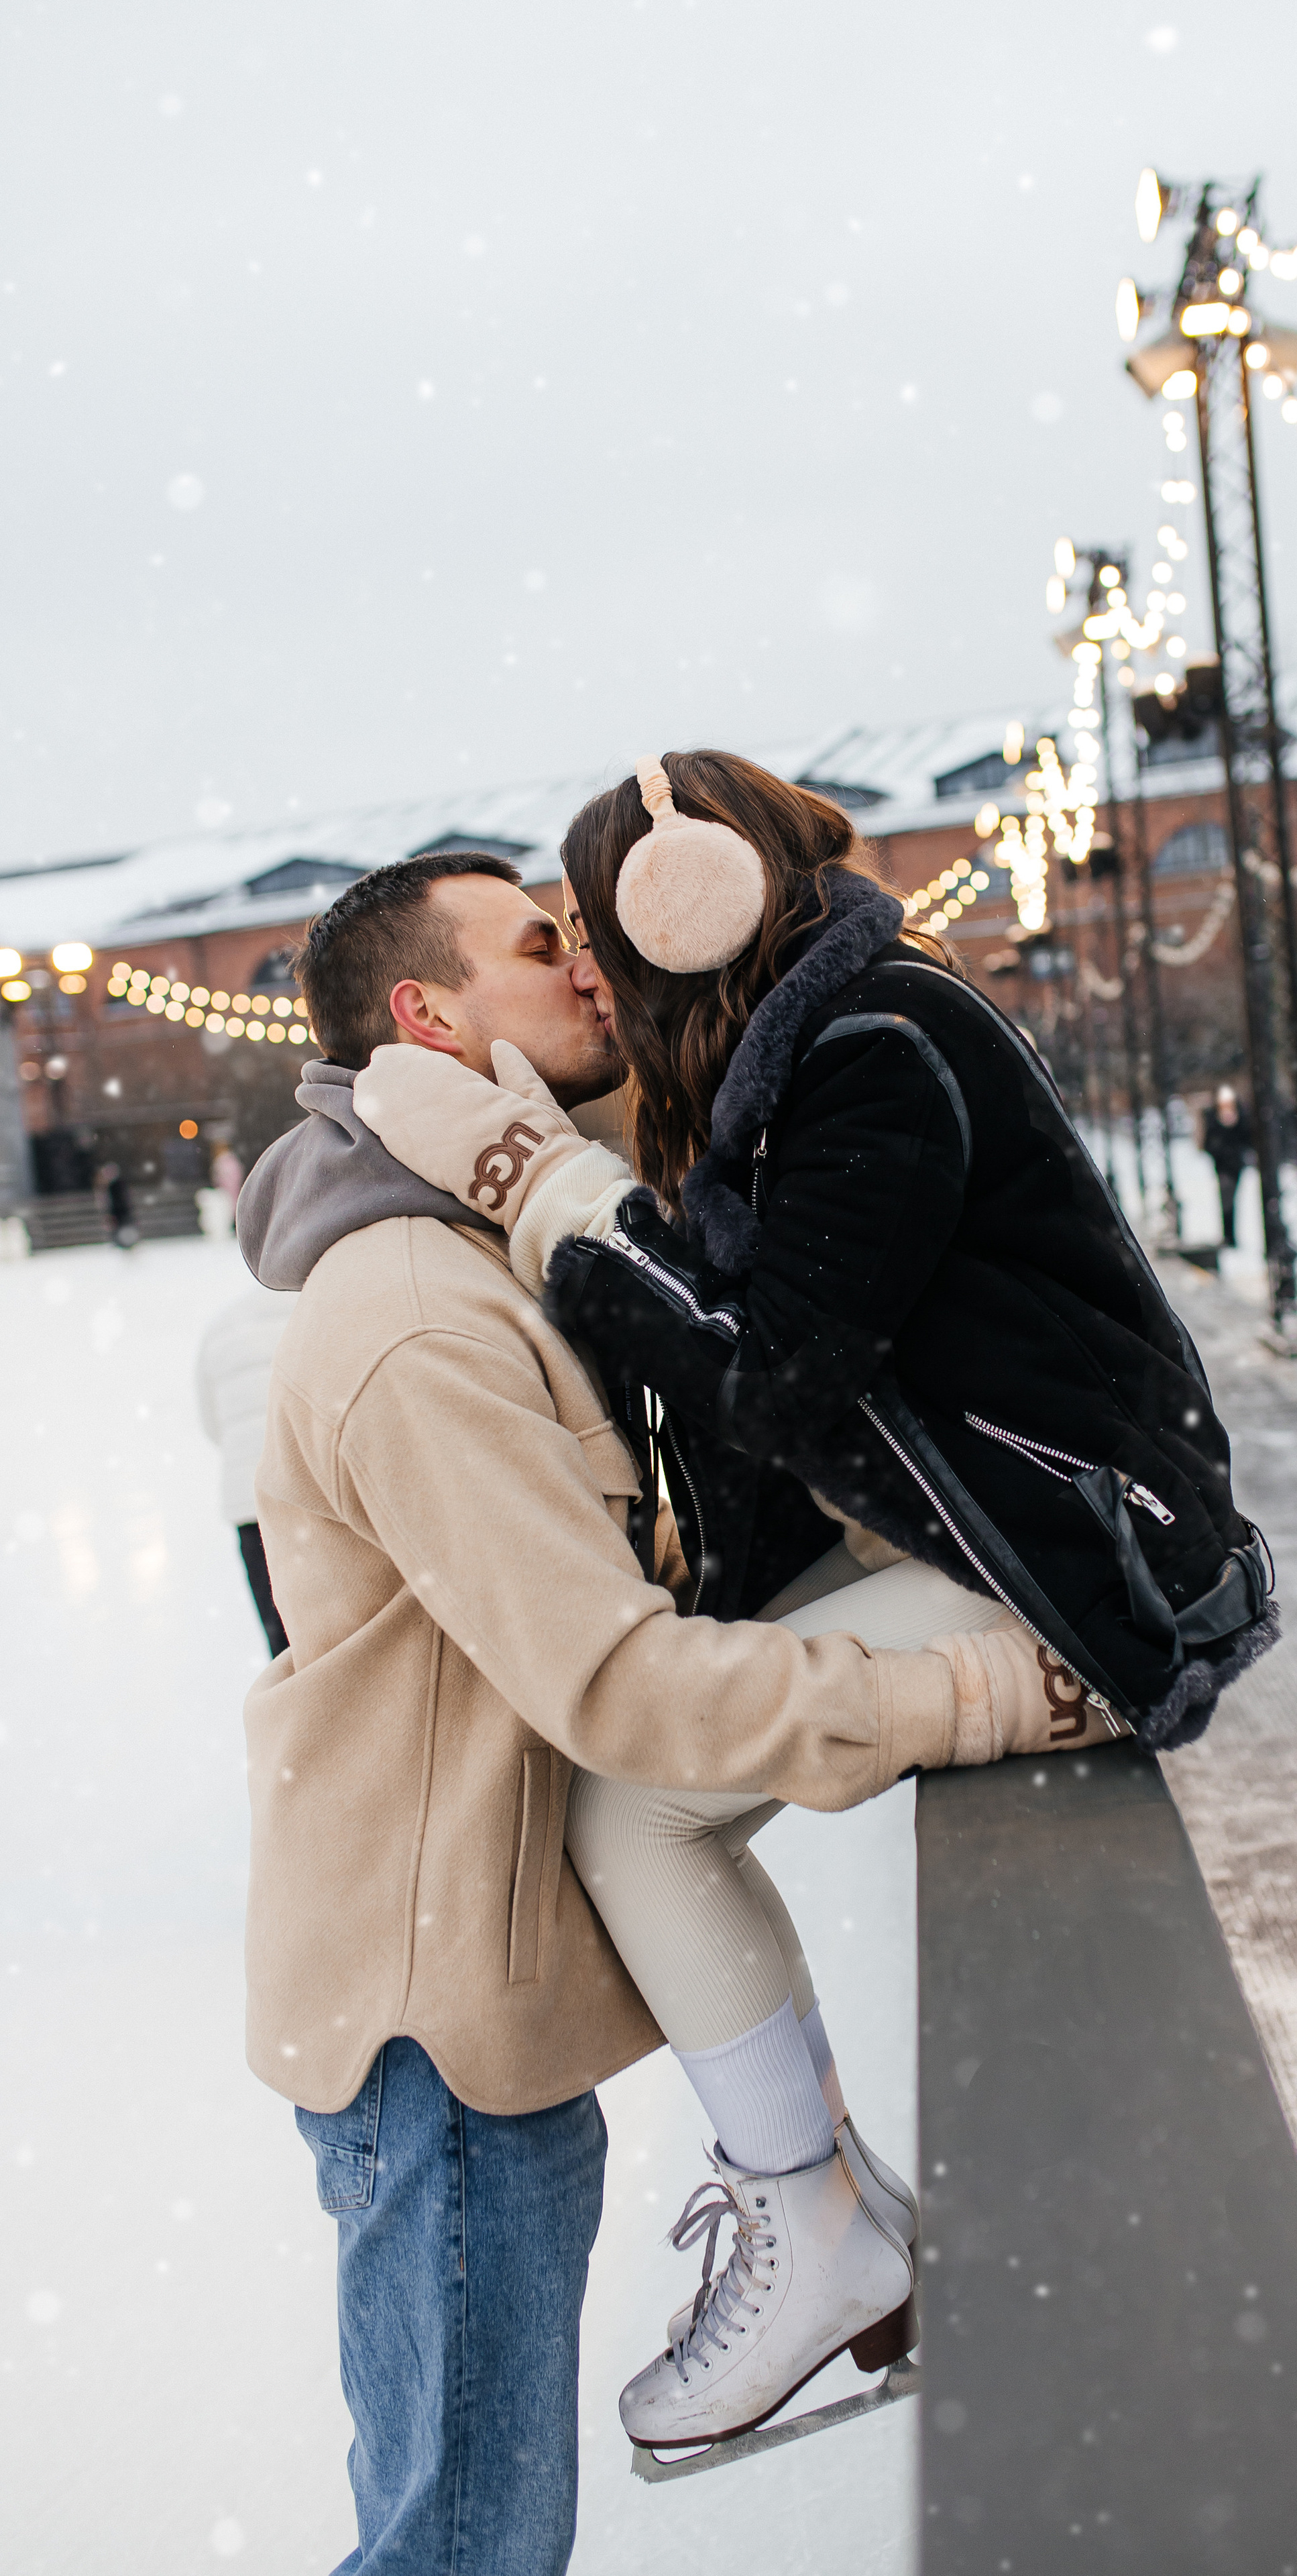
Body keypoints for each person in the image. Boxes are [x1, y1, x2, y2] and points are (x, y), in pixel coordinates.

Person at [357, 752, 1278, 2451]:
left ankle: (813, 2224)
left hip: (1093, 1569)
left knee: (633, 1805)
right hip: (1027, 1536)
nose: (589, 973)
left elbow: (771, 1373)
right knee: (653, 1778)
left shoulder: (873, 1051)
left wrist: (544, 1193)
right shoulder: (828, 1041)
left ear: (684, 910)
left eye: (591, 932)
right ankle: (824, 2200)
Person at [235, 849, 1063, 2569]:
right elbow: (618, 1681)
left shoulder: (492, 1252)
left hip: (470, 1983)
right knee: (464, 2546)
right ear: (427, 1018)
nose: (589, 967)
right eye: (540, 943)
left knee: (462, 2531)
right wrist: (966, 1688)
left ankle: (823, 2212)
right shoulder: (416, 1316)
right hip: (432, 2027)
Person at [194, 1283, 300, 1654]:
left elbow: (212, 1425)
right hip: (311, 1495)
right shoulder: (315, 1307)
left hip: (250, 1503)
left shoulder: (221, 1327)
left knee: (283, 1643)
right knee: (339, 1635)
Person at [1201, 1083, 1253, 1250]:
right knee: (1227, 1199)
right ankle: (1229, 1235)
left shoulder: (1241, 1118)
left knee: (1231, 1199)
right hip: (1223, 1166)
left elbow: (1248, 1140)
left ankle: (1230, 1236)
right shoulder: (1213, 1119)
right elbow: (1208, 1144)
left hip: (1235, 1165)